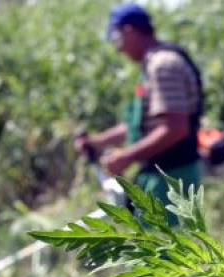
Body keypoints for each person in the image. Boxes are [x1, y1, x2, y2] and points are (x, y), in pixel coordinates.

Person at [75, 4, 203, 225]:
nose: (118, 48)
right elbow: (142, 125)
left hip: (171, 179)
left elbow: (175, 128)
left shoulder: (163, 65)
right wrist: (97, 143)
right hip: (157, 177)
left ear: (130, 31)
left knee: (165, 245)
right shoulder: (152, 65)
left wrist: (126, 157)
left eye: (117, 39)